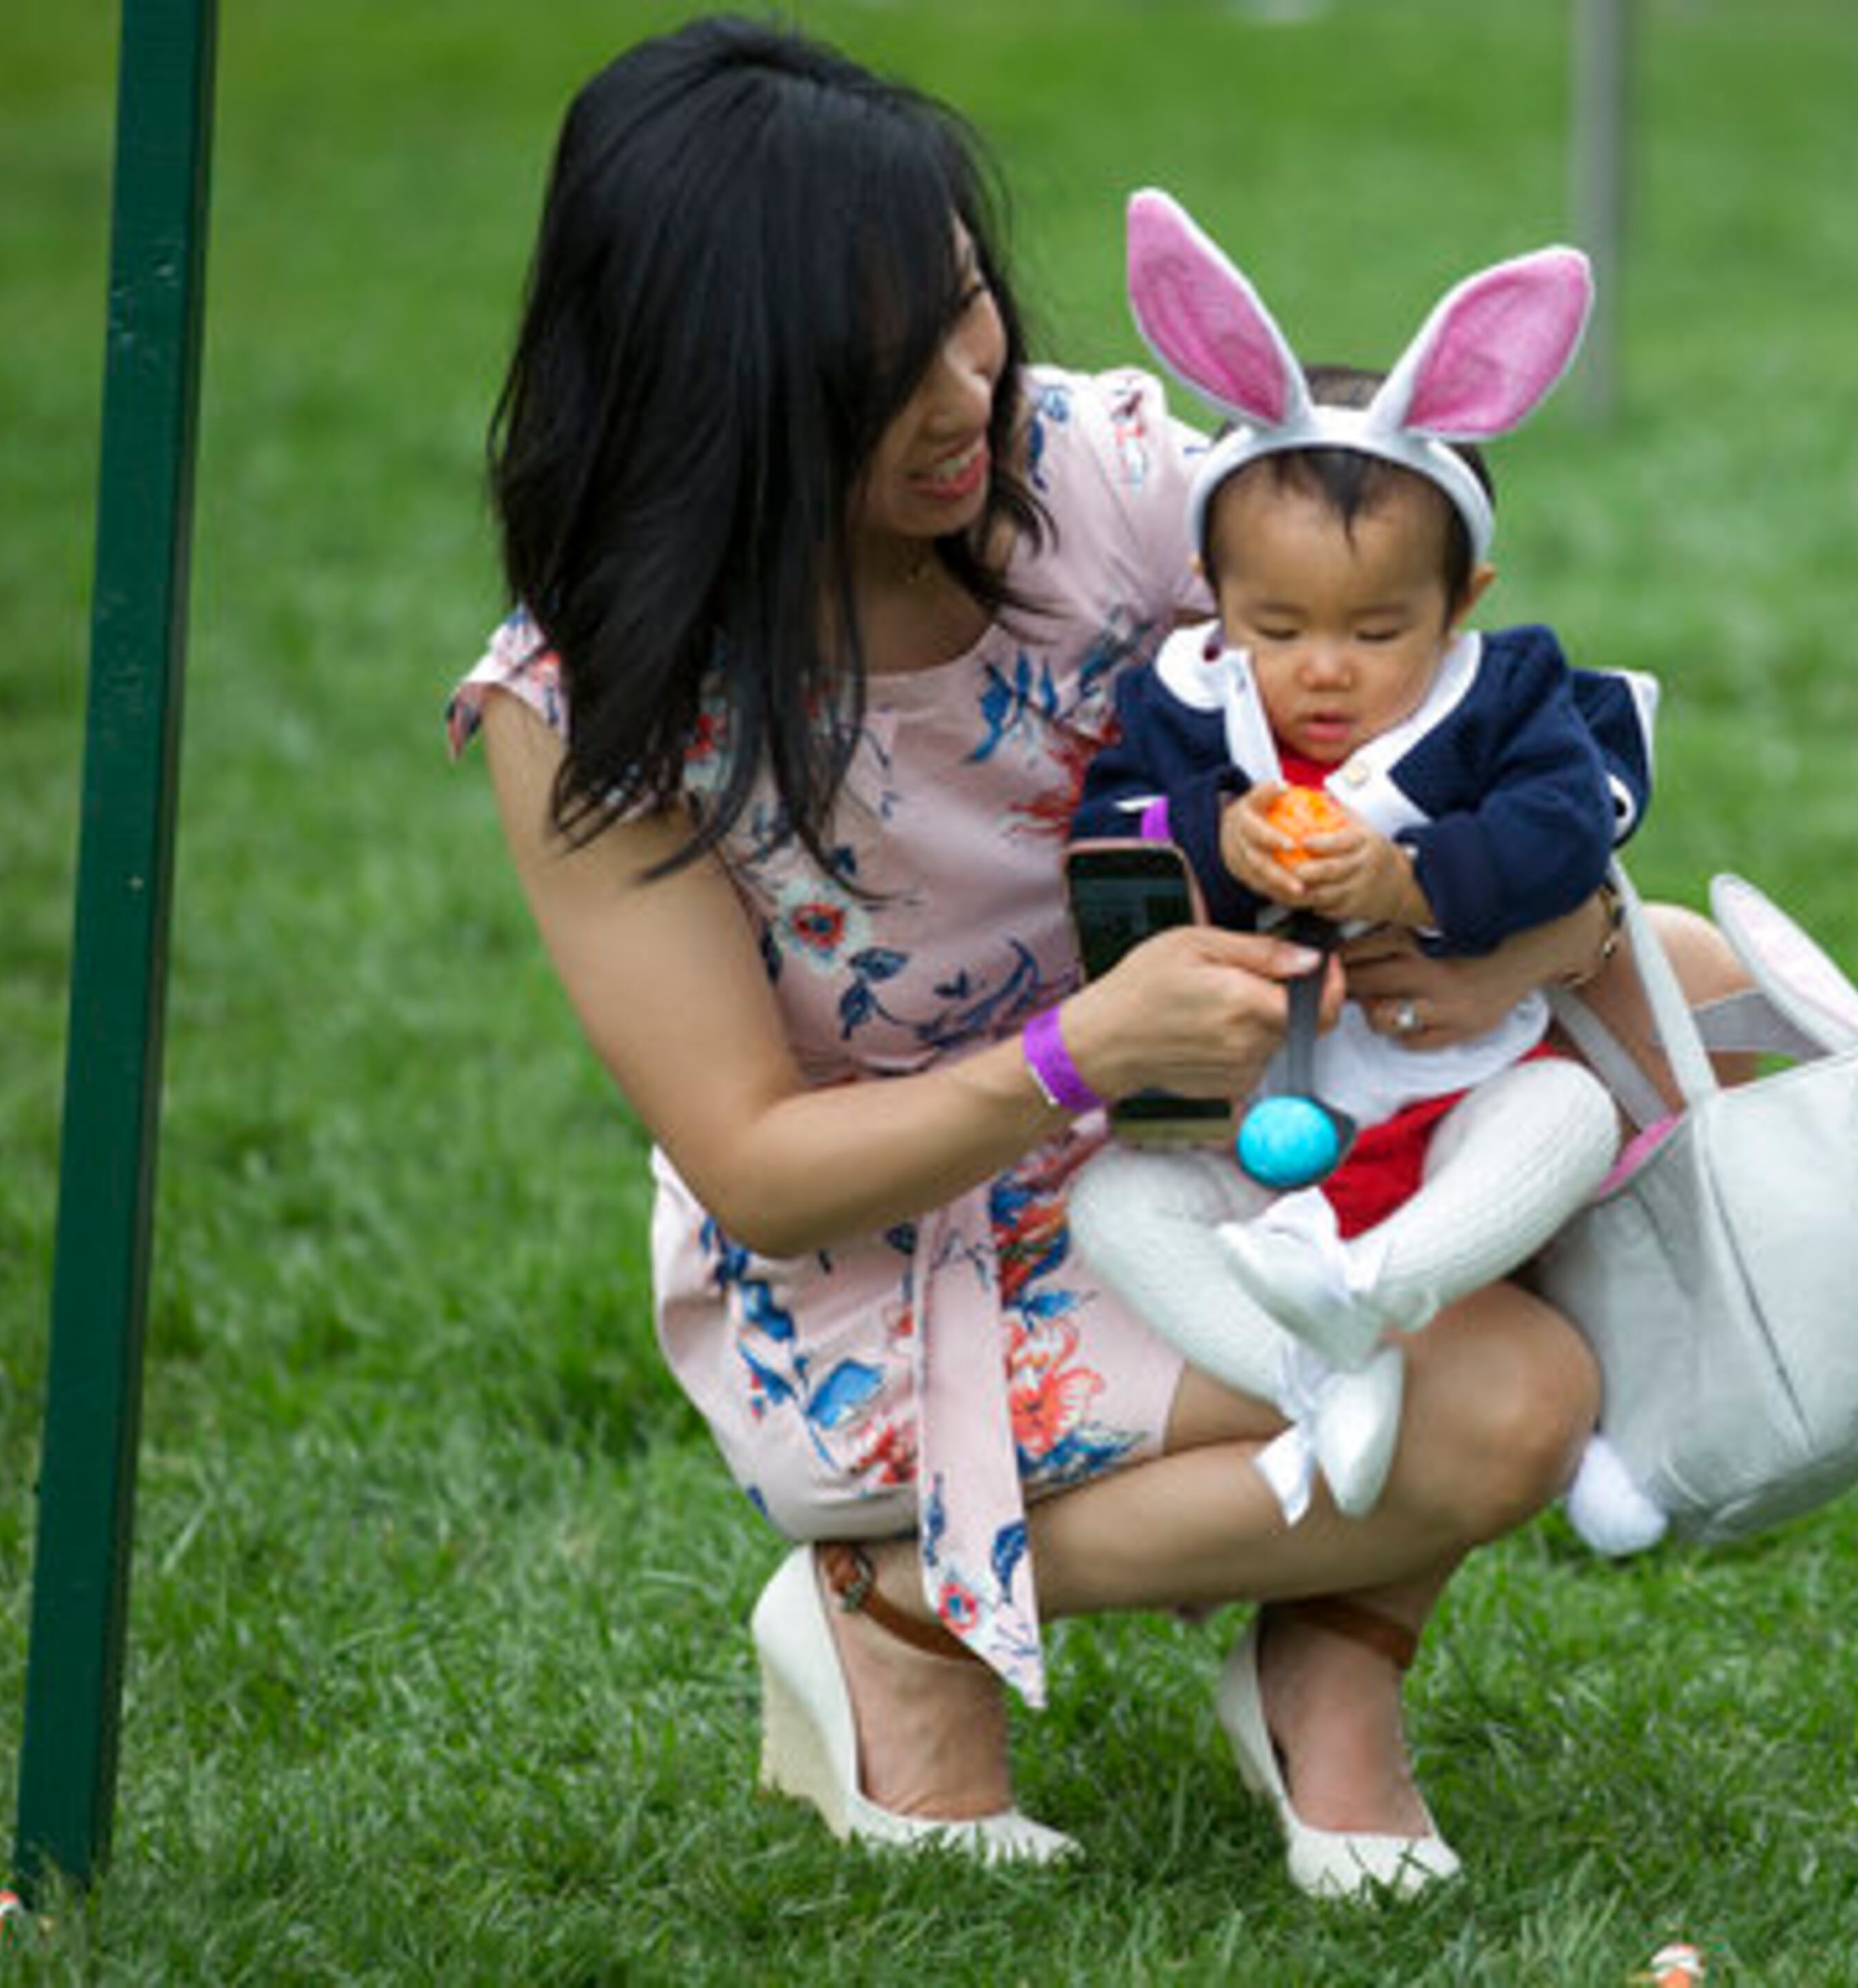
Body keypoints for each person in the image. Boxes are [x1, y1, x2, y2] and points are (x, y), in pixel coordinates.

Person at [451, 15, 1738, 1900]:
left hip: (1224, 1114)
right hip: (899, 1252)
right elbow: (753, 1160)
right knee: (1503, 1401)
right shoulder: (593, 700)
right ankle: (899, 1602)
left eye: (969, 304)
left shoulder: (1095, 470)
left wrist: (1517, 925)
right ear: (723, 389)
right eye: (885, 365)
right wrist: (1077, 1051)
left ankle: (1326, 1658)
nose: (969, 383)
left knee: (1683, 983)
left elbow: (1437, 695)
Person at [1069, 196, 1646, 1528]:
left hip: (1444, 1101)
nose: (1324, 667)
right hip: (1254, 1123)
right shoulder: (1183, 711)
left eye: (1379, 628)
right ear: (1213, 594)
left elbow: (1569, 823)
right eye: (1276, 623)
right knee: (1115, 1203)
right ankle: (1306, 1368)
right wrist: (1209, 832)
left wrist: (1413, 881)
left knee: (1565, 1121)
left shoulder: (1500, 698)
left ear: (1465, 604)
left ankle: (1378, 1292)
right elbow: (1103, 844)